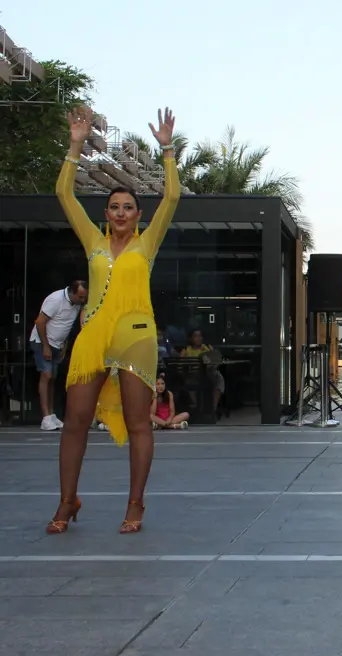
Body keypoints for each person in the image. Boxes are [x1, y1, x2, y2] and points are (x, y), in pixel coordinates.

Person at [46, 106, 180, 534]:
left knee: (140, 423)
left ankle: (135, 504)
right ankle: (68, 501)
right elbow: (64, 195)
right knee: (76, 420)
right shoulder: (93, 241)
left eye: (128, 207)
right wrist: (75, 145)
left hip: (137, 334)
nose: (121, 213)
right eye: (114, 207)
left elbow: (172, 197)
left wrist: (168, 151)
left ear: (138, 215)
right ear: (106, 214)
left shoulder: (147, 243)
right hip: (94, 334)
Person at [30, 281, 88, 430]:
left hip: (58, 344)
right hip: (42, 342)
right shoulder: (56, 300)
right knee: (46, 376)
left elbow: (66, 325)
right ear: (72, 293)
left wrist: (64, 345)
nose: (82, 301)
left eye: (84, 298)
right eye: (80, 297)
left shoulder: (76, 304)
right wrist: (45, 346)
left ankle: (51, 415)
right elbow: (40, 322)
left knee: (53, 379)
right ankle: (45, 418)